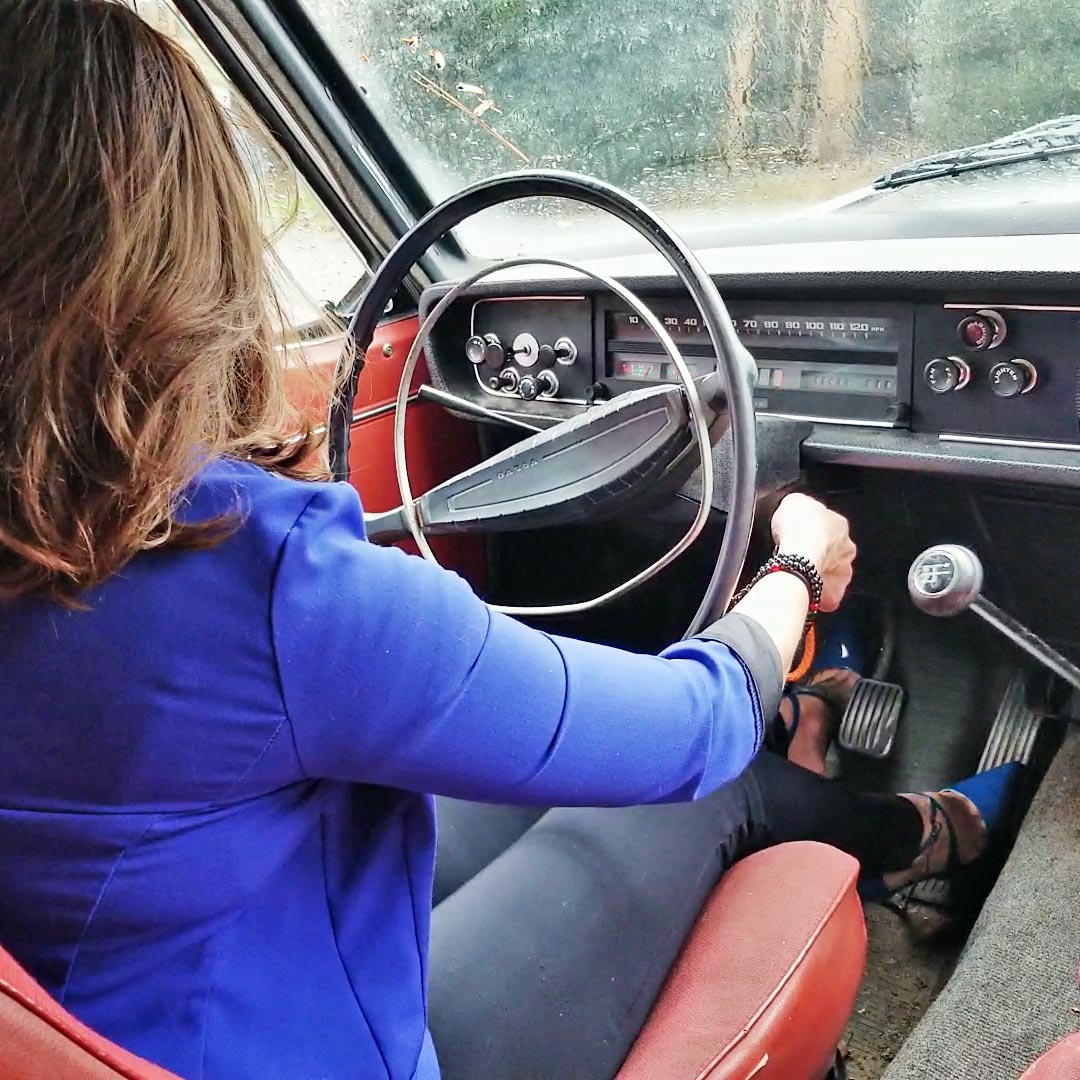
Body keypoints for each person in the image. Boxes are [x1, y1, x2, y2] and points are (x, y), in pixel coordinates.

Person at [0, 3, 1020, 1078]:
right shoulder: (264, 587)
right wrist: (796, 570)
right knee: (718, 774)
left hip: (152, 979)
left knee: (555, 762)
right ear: (175, 266)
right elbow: (693, 725)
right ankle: (922, 830)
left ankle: (812, 731)